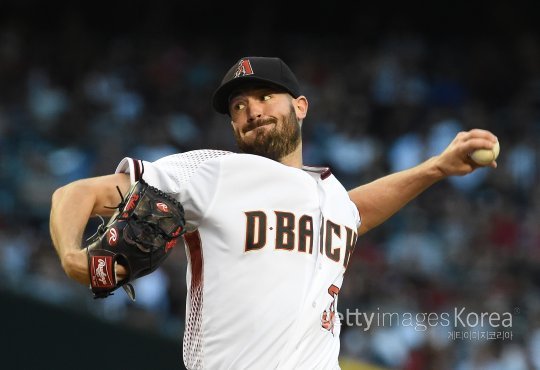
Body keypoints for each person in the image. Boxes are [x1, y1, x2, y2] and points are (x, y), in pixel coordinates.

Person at [49, 56, 498, 369]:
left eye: (265, 97)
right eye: (239, 106)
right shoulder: (212, 172)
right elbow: (73, 195)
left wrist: (436, 168)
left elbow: (355, 211)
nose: (252, 111)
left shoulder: (333, 195)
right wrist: (72, 257)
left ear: (300, 106)